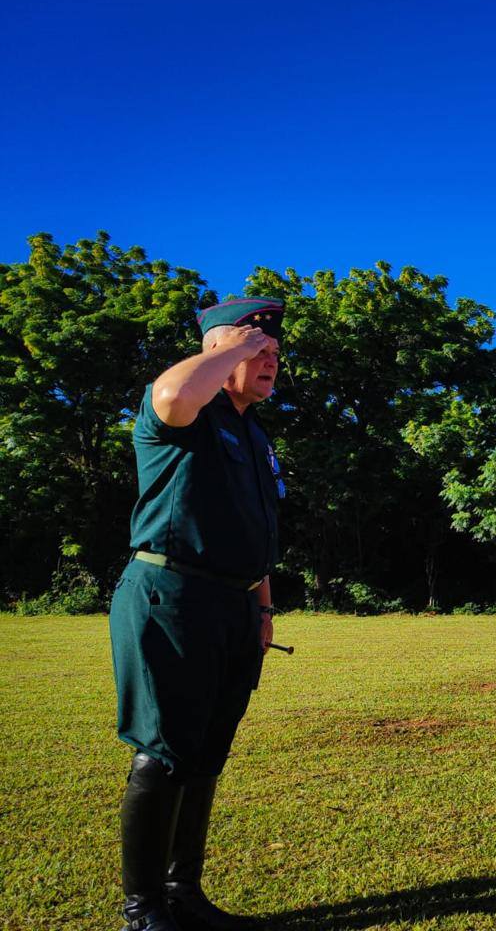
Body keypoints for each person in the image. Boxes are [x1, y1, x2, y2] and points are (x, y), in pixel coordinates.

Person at [109, 297, 286, 931]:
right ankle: (143, 910)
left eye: (274, 353)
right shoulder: (185, 413)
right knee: (165, 752)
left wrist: (263, 610)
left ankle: (183, 893)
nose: (269, 360)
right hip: (172, 596)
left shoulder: (253, 433)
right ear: (218, 349)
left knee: (207, 752)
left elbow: (251, 530)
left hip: (234, 605)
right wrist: (232, 346)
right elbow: (173, 392)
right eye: (257, 349)